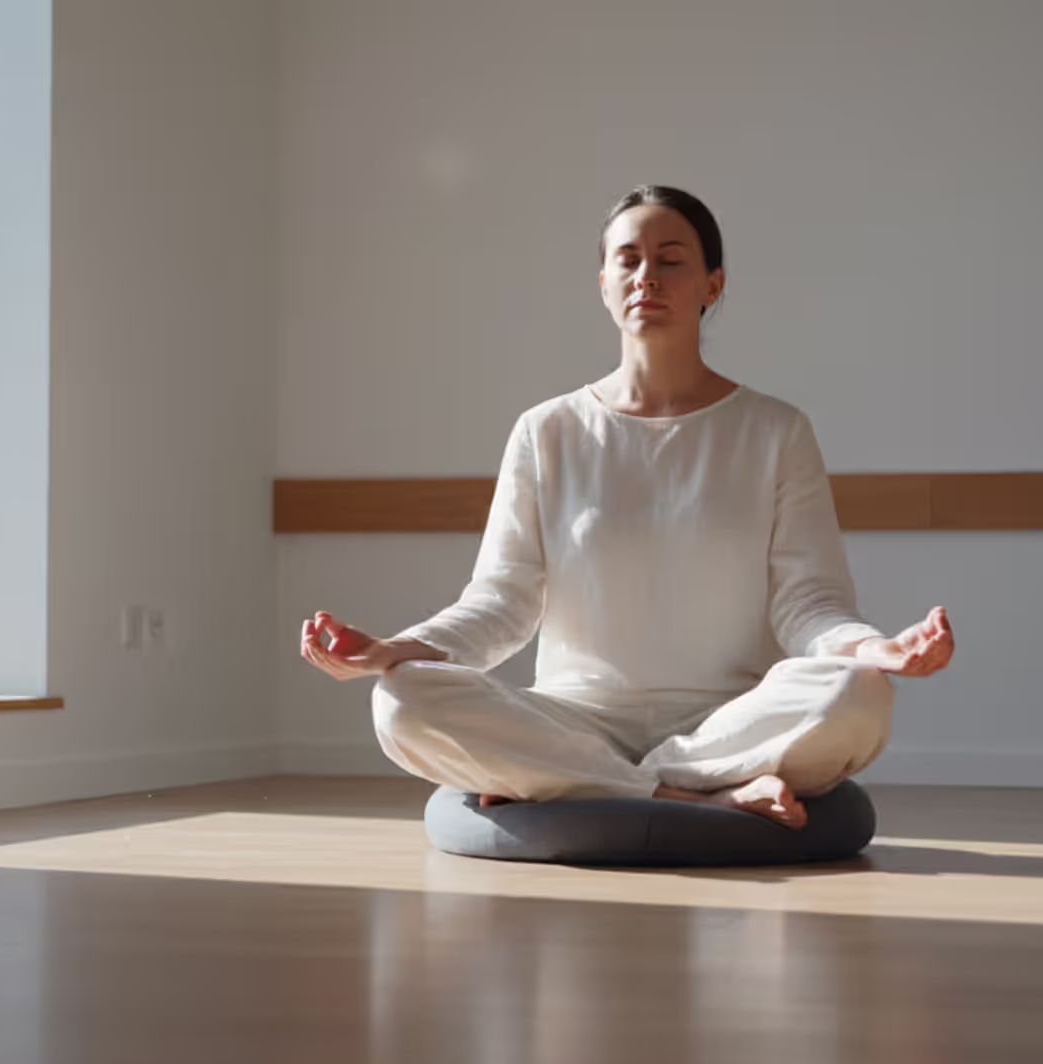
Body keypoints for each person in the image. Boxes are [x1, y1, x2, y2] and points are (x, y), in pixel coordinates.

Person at [300, 185, 954, 829]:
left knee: (860, 692)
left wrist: (877, 648)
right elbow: (501, 602)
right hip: (574, 718)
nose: (647, 276)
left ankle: (588, 783)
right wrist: (394, 649)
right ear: (605, 285)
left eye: (671, 260)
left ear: (713, 285)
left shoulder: (777, 429)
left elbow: (807, 603)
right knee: (402, 700)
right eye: (628, 260)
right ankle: (693, 797)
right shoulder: (545, 430)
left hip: (731, 721)